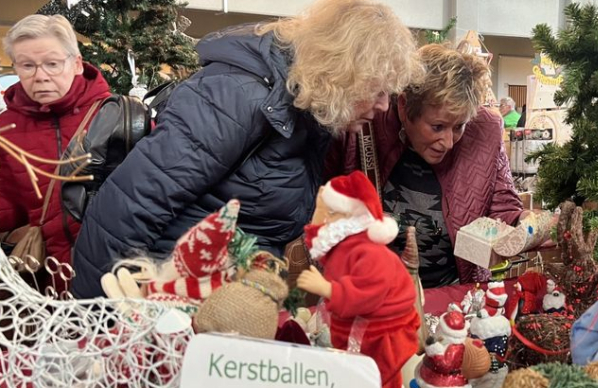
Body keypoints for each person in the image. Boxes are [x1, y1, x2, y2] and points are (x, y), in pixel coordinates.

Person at [71, 0, 422, 298]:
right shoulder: (238, 96)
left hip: (226, 294)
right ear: (342, 72)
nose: (383, 106)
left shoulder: (308, 109)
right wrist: (97, 323)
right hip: (171, 296)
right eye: (377, 90)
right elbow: (128, 207)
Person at [326, 44, 525, 288]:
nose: (448, 142)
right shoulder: (369, 122)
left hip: (454, 288)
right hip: (373, 288)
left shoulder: (486, 130)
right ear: (403, 107)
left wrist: (524, 222)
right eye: (437, 127)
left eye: (459, 126)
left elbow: (504, 206)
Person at [297, 171, 420, 388]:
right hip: (360, 326)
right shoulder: (345, 245)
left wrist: (328, 289)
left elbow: (370, 291)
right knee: (365, 378)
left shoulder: (369, 252)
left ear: (347, 217)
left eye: (328, 213)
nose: (319, 222)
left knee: (374, 379)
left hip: (381, 334)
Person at [0, 14, 111, 267]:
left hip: (111, 272)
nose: (40, 76)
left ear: (77, 64)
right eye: (27, 66)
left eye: (52, 64)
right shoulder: (6, 128)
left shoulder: (117, 115)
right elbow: (7, 204)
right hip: (42, 275)